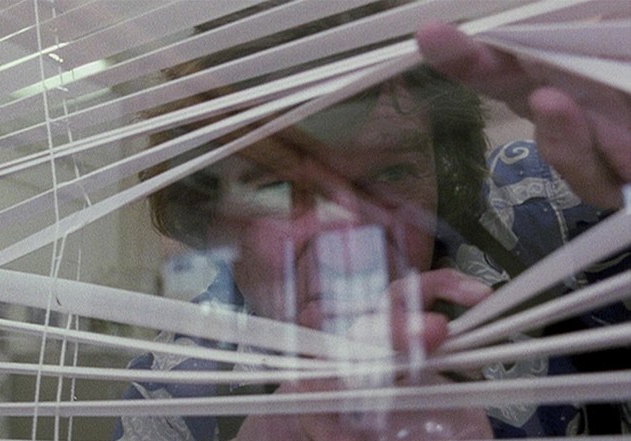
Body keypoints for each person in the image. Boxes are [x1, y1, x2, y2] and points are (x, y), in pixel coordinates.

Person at [111, 17, 631, 440]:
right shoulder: (174, 400)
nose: (347, 238)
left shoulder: (553, 206)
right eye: (275, 187)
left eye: (392, 175)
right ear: (209, 221)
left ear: (442, 176)